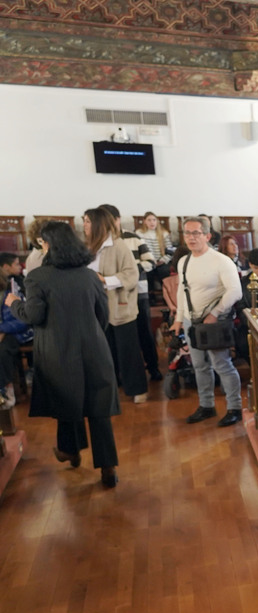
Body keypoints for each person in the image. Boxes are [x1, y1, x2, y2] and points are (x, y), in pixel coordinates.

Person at [5, 222, 121, 487]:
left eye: (42, 243)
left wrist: (14, 305)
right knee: (98, 408)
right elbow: (102, 316)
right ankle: (108, 468)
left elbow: (33, 316)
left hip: (58, 351)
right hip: (95, 349)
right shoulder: (89, 275)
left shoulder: (37, 277)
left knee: (67, 401)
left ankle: (71, 451)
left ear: (48, 245)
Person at [170, 216, 243, 427]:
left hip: (214, 322)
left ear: (207, 236)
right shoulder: (184, 261)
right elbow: (183, 293)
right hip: (190, 321)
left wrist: (215, 313)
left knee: (222, 364)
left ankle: (234, 407)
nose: (191, 238)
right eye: (187, 233)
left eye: (196, 233)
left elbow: (235, 292)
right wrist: (178, 319)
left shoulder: (221, 261)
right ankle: (207, 405)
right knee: (199, 366)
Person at [84, 207, 147, 404]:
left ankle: (137, 389)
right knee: (104, 351)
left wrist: (105, 280)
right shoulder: (88, 248)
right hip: (96, 307)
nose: (84, 225)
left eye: (87, 221)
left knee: (127, 350)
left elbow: (131, 275)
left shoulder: (119, 246)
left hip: (119, 306)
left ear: (98, 224)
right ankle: (112, 387)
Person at [101, 204, 161, 383]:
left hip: (138, 291)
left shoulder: (133, 238)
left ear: (117, 220)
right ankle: (119, 373)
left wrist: (130, 272)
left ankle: (153, 367)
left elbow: (150, 262)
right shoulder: (102, 242)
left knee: (144, 331)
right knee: (116, 336)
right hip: (112, 295)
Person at [0, 253, 33, 409]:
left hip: (16, 332)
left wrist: (2, 330)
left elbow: (22, 320)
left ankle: (5, 390)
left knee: (3, 350)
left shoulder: (14, 287)